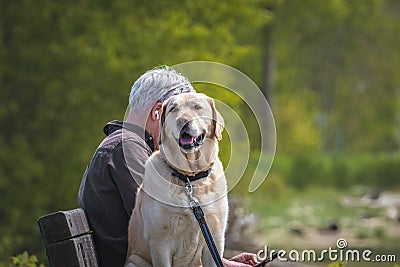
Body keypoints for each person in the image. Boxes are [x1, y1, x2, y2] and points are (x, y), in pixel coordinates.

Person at [78, 66, 258, 267]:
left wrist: (221, 262)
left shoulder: (125, 146)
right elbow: (160, 232)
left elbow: (178, 235)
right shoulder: (126, 149)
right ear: (158, 113)